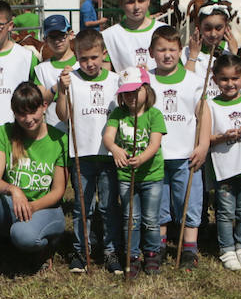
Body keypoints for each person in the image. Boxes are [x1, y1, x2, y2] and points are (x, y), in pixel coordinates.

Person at [0, 82, 69, 290]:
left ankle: (45, 248)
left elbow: (58, 191)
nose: (28, 119)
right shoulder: (5, 132)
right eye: (21, 114)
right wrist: (14, 190)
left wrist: (32, 207)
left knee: (23, 235)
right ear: (14, 113)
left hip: (45, 207)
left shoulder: (59, 139)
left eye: (33, 111)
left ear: (44, 107)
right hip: (14, 204)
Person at [56, 29, 118, 274]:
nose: (90, 63)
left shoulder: (114, 80)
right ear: (76, 57)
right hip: (81, 153)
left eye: (94, 57)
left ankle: (111, 249)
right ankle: (82, 249)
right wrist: (62, 91)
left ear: (103, 54)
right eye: (83, 59)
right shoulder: (71, 80)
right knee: (83, 206)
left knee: (109, 205)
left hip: (108, 153)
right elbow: (63, 115)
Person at [148, 25, 206, 268]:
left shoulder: (193, 81)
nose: (167, 54)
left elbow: (203, 113)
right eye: (161, 50)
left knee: (188, 201)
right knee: (158, 202)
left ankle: (189, 249)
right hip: (156, 155)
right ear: (151, 52)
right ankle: (159, 245)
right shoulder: (146, 79)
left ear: (180, 51)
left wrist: (203, 145)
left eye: (172, 49)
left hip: (186, 155)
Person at [197, 54, 241, 271]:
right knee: (225, 212)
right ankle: (227, 249)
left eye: (235, 78)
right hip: (223, 168)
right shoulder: (210, 105)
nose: (230, 84)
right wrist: (224, 136)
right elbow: (206, 139)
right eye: (224, 79)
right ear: (215, 79)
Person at [104, 68, 166, 277]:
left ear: (146, 90)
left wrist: (141, 158)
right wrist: (115, 149)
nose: (130, 97)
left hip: (151, 175)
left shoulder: (154, 115)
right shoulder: (118, 114)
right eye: (126, 93)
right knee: (132, 218)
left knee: (150, 218)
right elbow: (108, 138)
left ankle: (151, 253)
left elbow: (154, 143)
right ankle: (132, 256)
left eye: (135, 91)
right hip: (126, 177)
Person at [101, 0, 158, 71]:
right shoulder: (109, 36)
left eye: (141, 1)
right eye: (130, 2)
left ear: (149, 0)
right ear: (121, 3)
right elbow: (105, 76)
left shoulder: (163, 30)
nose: (136, 7)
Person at [33, 14, 76, 131]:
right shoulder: (41, 69)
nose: (57, 41)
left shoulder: (82, 64)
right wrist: (58, 86)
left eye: (62, 36)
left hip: (79, 129)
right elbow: (41, 100)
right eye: (52, 37)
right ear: (45, 40)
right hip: (53, 129)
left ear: (71, 34)